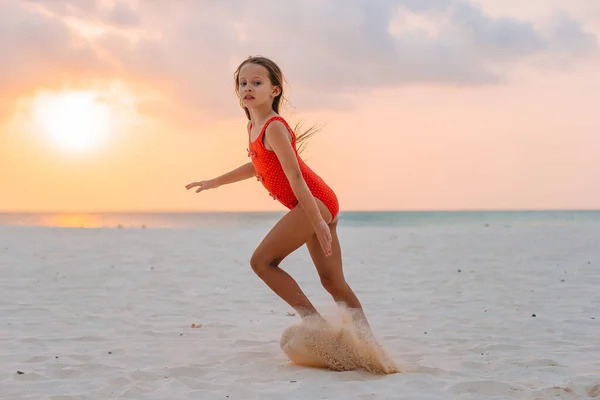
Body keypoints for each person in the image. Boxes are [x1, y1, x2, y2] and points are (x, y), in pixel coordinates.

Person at [185, 56, 369, 327]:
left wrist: (318, 221)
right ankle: (366, 346)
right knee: (332, 281)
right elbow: (258, 164)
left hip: (314, 203)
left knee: (261, 262)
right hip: (317, 204)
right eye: (243, 83)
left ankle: (316, 325)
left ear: (275, 90)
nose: (248, 88)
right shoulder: (254, 126)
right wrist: (216, 181)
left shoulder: (274, 127)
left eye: (257, 83)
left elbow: (295, 176)